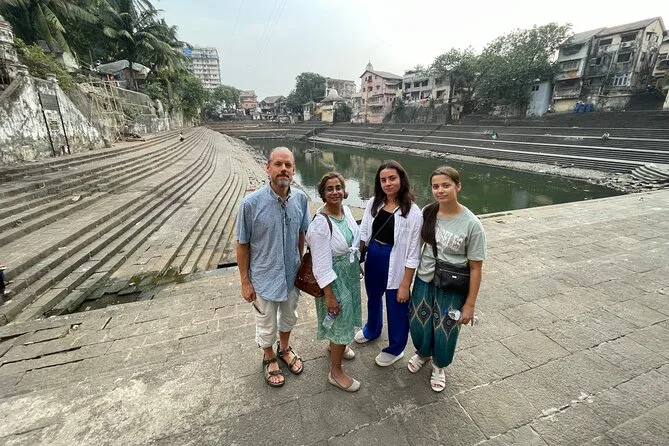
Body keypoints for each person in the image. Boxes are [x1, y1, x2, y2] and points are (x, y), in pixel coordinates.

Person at [236, 147, 310, 388]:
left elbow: (301, 233)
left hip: (291, 275)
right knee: (266, 322)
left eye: (288, 165)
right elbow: (242, 244)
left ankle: (284, 348)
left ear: (294, 170)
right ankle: (268, 357)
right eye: (278, 164)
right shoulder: (250, 204)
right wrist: (245, 281)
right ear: (268, 168)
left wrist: (300, 264)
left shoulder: (300, 199)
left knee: (289, 316)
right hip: (263, 276)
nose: (283, 169)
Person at [407, 166, 486, 392]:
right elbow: (416, 246)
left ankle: (439, 365)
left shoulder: (472, 225)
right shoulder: (428, 212)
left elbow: (476, 267)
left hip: (452, 285)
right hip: (425, 278)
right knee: (419, 320)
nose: (440, 190)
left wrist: (470, 304)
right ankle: (423, 353)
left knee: (446, 327)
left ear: (457, 186)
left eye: (446, 185)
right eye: (435, 186)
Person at [356, 160, 423, 367]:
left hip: (395, 260)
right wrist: (359, 255)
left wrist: (406, 283)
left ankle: (396, 348)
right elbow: (364, 231)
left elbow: (413, 253)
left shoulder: (413, 212)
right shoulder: (374, 202)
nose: (387, 183)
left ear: (402, 179)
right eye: (383, 180)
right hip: (374, 255)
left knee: (397, 304)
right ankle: (372, 329)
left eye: (392, 178)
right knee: (373, 296)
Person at [307, 172, 362, 392]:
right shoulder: (321, 224)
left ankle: (335, 346)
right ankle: (336, 372)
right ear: (322, 193)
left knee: (344, 318)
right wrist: (329, 296)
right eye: (329, 189)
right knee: (339, 317)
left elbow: (353, 241)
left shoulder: (345, 211)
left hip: (349, 274)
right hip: (333, 279)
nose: (335, 192)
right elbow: (320, 265)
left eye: (338, 187)